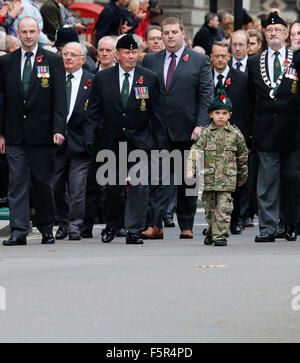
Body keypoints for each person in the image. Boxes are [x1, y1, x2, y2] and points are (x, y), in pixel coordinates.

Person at [84, 34, 168, 245]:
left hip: (140, 142)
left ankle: (133, 229)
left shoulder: (149, 78)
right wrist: (90, 137)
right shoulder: (103, 78)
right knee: (113, 187)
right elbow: (94, 112)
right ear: (117, 55)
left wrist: (160, 144)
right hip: (111, 142)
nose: (131, 56)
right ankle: (112, 225)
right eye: (126, 53)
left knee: (140, 186)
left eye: (134, 52)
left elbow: (156, 114)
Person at [143, 17, 214, 239]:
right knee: (158, 179)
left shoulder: (198, 60)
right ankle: (155, 225)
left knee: (187, 181)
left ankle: (186, 225)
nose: (170, 36)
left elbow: (205, 96)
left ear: (183, 33)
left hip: (187, 130)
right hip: (159, 130)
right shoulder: (150, 60)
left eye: (174, 32)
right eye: (166, 33)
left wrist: (201, 124)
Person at [0, 16, 67, 246]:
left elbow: (60, 99)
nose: (28, 36)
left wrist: (59, 128)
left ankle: (47, 227)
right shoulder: (7, 62)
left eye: (32, 31)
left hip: (43, 133)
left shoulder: (52, 60)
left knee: (42, 182)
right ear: (17, 33)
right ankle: (19, 229)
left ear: (39, 31)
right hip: (15, 133)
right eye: (24, 32)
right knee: (16, 182)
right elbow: (2, 100)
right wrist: (1, 133)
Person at [246, 11, 299, 242]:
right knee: (266, 181)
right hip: (264, 130)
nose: (274, 32)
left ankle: (289, 224)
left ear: (286, 33)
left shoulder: (296, 58)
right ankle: (267, 227)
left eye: (278, 29)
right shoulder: (253, 61)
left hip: (292, 130)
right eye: (269, 29)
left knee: (290, 178)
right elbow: (249, 100)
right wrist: (248, 133)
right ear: (264, 33)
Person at [186, 90, 248, 246]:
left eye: (224, 113)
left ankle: (220, 236)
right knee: (210, 210)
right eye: (217, 112)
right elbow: (195, 150)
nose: (221, 116)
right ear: (211, 115)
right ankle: (211, 231)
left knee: (224, 209)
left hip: (227, 179)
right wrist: (190, 168)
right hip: (209, 179)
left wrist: (242, 177)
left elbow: (242, 157)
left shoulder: (235, 134)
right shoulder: (206, 133)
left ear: (230, 115)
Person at [53, 42, 93, 241]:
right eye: (65, 54)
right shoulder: (53, 79)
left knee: (77, 188)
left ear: (83, 59)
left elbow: (96, 115)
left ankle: (75, 226)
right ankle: (63, 221)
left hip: (81, 144)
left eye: (73, 55)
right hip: (57, 142)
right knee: (56, 187)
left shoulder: (91, 82)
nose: (68, 57)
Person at [210, 40, 248, 234]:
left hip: (234, 137)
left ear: (229, 57)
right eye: (216, 56)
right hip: (211, 138)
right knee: (212, 183)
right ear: (211, 57)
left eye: (223, 56)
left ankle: (236, 220)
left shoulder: (241, 78)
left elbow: (246, 108)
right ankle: (214, 224)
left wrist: (246, 138)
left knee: (235, 181)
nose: (220, 59)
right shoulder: (206, 77)